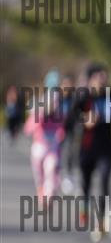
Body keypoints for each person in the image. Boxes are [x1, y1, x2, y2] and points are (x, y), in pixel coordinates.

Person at [71, 63, 111, 241]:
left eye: (105, 77)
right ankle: (84, 206)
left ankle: (101, 221)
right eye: (99, 77)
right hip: (87, 147)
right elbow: (70, 118)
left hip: (106, 147)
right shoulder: (83, 97)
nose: (103, 80)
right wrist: (85, 119)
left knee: (104, 181)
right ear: (91, 80)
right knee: (86, 183)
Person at [23, 70, 65, 200]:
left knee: (51, 168)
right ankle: (41, 189)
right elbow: (31, 122)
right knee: (39, 169)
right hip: (40, 143)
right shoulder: (40, 102)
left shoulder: (61, 105)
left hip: (53, 145)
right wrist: (42, 112)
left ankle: (49, 193)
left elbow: (63, 123)